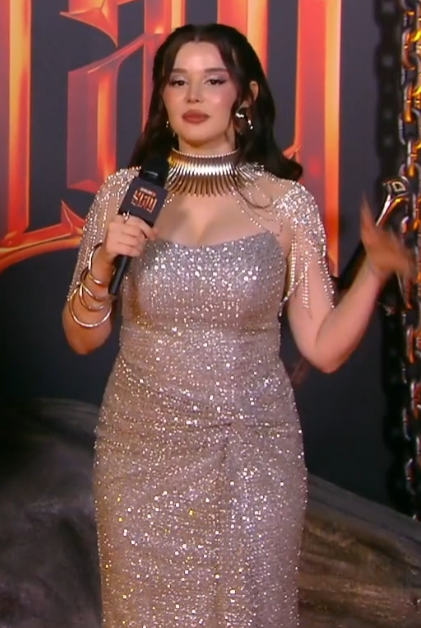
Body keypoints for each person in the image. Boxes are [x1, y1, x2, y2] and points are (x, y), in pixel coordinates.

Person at [62, 23, 412, 628]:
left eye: (213, 81)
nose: (194, 96)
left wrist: (375, 271)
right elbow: (82, 337)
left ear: (244, 96)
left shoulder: (284, 203)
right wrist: (102, 262)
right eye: (179, 82)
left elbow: (323, 347)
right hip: (140, 456)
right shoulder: (125, 193)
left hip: (249, 454)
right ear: (163, 96)